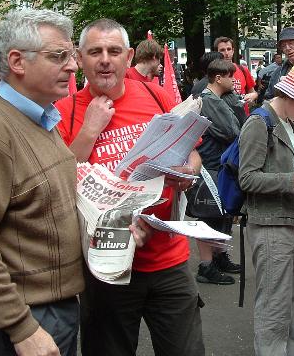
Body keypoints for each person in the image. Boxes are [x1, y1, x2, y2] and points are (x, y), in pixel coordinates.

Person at [54, 18, 205, 356]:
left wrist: (187, 171)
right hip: (107, 269)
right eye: (95, 52)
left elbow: (192, 154)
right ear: (80, 58)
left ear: (128, 56)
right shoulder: (66, 111)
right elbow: (60, 181)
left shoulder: (157, 95)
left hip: (169, 260)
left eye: (113, 51)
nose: (105, 59)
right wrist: (90, 130)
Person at [0, 10, 85, 356]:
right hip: (21, 320)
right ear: (17, 62)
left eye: (72, 55)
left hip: (50, 308)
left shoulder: (39, 117)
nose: (73, 67)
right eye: (59, 56)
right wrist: (22, 330)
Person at [239, 64, 294, 356]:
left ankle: (292, 352)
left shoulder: (285, 121)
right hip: (270, 224)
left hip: (289, 220)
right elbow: (247, 178)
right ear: (292, 96)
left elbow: (289, 160)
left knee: (290, 298)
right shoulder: (260, 122)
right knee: (274, 303)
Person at [194, 59, 242, 285]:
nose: (234, 80)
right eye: (230, 76)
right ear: (218, 78)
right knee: (207, 215)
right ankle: (206, 266)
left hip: (217, 165)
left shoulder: (218, 99)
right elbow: (231, 131)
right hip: (210, 166)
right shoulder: (210, 100)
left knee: (220, 214)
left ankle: (219, 256)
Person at [214, 37, 258, 109]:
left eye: (229, 49)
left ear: (233, 51)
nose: (226, 53)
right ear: (216, 52)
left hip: (242, 115)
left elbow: (253, 92)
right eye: (222, 50)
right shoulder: (214, 72)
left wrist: (253, 96)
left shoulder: (243, 70)